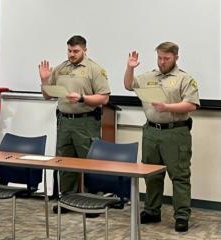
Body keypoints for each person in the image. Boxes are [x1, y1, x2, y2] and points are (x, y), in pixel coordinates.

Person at [124, 42, 200, 232]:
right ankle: (152, 211)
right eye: (159, 58)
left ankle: (182, 215)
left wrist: (167, 107)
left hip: (175, 132)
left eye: (166, 58)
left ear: (176, 57)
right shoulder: (149, 76)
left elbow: (191, 105)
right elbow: (128, 85)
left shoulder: (184, 78)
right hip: (151, 132)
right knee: (151, 174)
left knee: (180, 175)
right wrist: (130, 68)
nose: (162, 62)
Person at [38, 35, 111, 214]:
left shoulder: (94, 69)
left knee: (91, 162)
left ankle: (93, 202)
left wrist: (82, 97)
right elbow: (48, 96)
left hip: (85, 121)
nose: (72, 54)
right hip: (64, 121)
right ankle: (67, 199)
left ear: (85, 50)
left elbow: (104, 97)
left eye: (76, 51)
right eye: (69, 51)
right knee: (64, 162)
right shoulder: (60, 68)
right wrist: (45, 80)